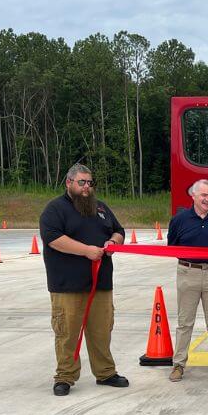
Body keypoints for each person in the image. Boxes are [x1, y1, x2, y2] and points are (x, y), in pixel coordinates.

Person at [40, 163, 128, 396]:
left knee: (102, 331)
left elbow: (119, 230)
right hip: (67, 285)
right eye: (82, 182)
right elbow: (53, 238)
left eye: (90, 182)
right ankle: (65, 377)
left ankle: (106, 373)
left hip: (100, 283)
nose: (87, 187)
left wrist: (113, 242)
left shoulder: (100, 207)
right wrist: (86, 251)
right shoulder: (55, 209)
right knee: (67, 332)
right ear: (69, 183)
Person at [167, 179, 208, 382]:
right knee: (184, 323)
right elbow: (172, 247)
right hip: (188, 273)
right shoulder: (179, 220)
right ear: (193, 196)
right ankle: (178, 365)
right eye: (204, 195)